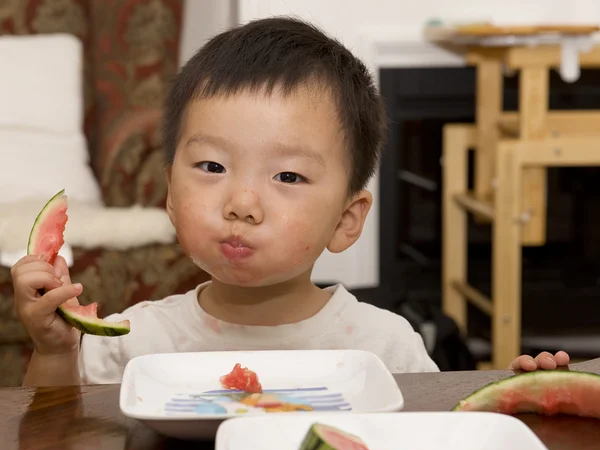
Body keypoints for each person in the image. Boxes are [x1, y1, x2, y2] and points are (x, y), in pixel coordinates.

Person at [11, 17, 570, 386]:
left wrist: (519, 399)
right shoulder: (137, 339)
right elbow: (56, 430)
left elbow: (426, 436)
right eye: (212, 167)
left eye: (288, 175)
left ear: (348, 220)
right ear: (169, 195)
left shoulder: (385, 347)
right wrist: (56, 353)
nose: (242, 203)